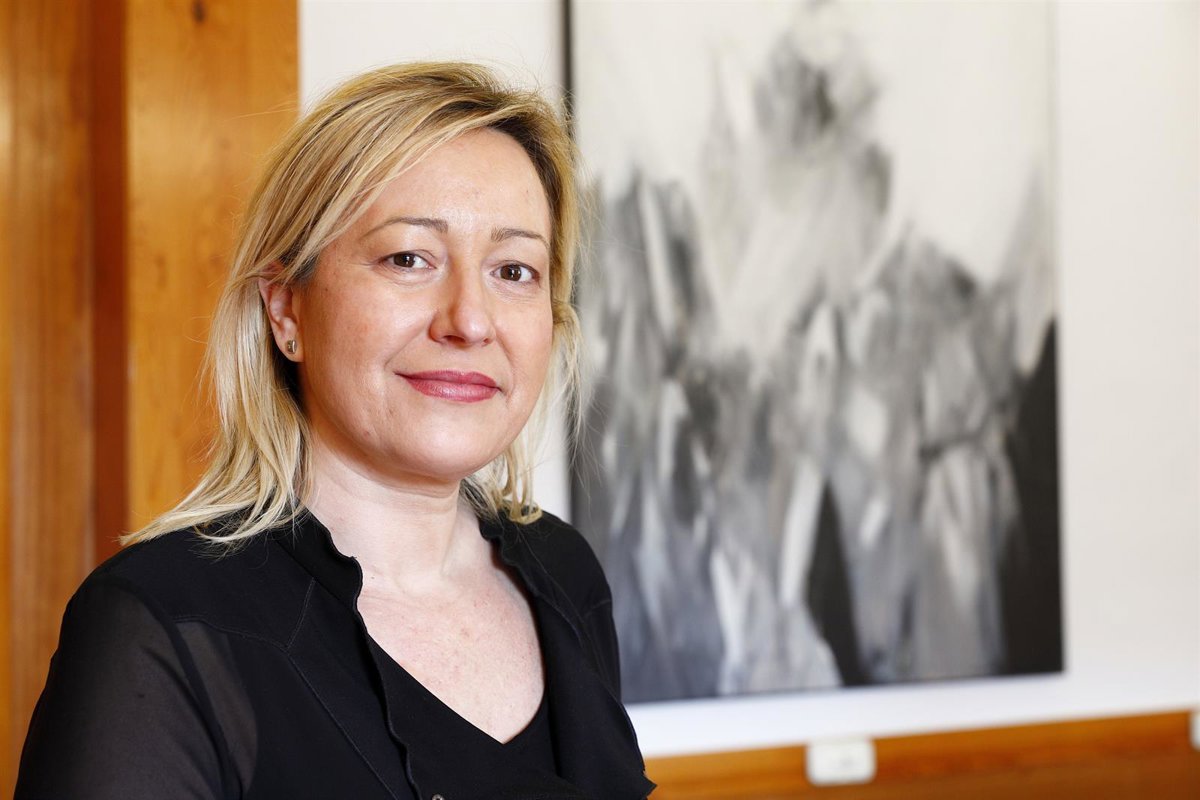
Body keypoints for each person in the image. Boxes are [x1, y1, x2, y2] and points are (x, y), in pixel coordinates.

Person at [16, 62, 654, 800]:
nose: (470, 321)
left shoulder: (566, 574)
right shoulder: (160, 627)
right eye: (408, 258)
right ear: (287, 309)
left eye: (514, 271)